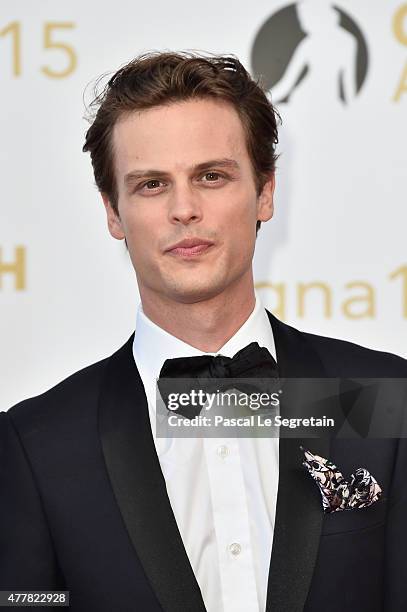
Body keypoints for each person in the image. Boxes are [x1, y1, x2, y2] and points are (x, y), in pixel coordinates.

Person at [1, 51, 406, 612]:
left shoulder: (385, 400)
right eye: (150, 185)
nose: (184, 209)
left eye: (211, 176)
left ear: (264, 192)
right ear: (113, 213)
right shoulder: (34, 445)